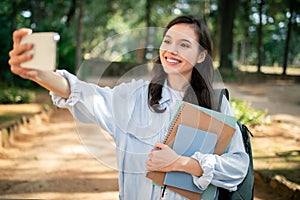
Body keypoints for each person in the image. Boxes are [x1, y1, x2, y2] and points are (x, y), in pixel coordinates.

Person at [8, 15, 249, 200]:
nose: (171, 50)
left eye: (184, 45)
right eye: (167, 41)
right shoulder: (133, 97)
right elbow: (81, 93)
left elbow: (237, 167)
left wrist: (181, 163)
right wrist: (38, 74)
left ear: (201, 56)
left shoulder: (216, 105)